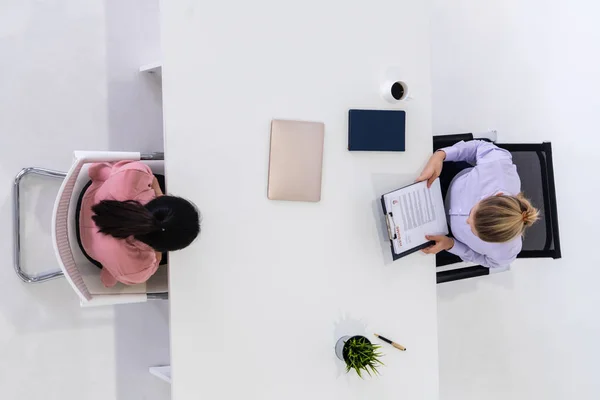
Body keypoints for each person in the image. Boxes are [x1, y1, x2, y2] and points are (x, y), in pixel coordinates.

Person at [416, 140, 539, 269]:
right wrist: (441, 155)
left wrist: (451, 244)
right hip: (446, 179)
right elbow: (478, 147)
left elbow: (488, 261)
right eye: (472, 212)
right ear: (496, 195)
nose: (467, 221)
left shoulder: (506, 252)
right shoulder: (499, 167)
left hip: (445, 233)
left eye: (474, 232)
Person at [79, 161, 200, 287]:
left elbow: (152, 178)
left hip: (88, 198)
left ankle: (101, 173)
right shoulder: (137, 270)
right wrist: (156, 250)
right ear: (163, 248)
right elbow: (156, 261)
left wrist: (158, 194)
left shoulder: (135, 174)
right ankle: (110, 270)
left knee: (114, 176)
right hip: (87, 246)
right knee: (119, 269)